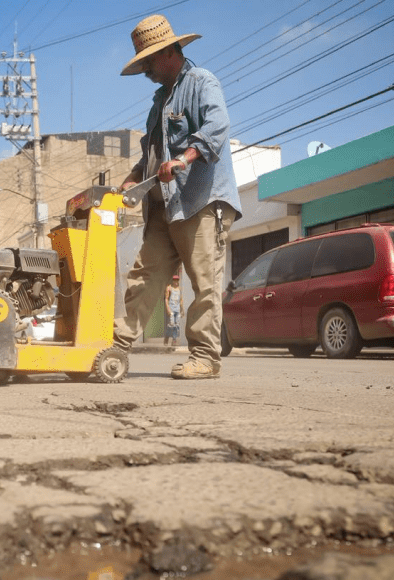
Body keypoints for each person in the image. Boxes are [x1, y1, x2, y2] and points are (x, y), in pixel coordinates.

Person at [113, 15, 241, 379]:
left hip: (200, 201)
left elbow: (217, 127)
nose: (146, 70)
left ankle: (205, 357)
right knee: (144, 275)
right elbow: (151, 151)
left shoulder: (202, 83)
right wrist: (134, 177)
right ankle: (117, 346)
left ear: (171, 51)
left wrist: (184, 159)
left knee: (203, 281)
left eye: (149, 62)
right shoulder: (159, 101)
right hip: (164, 206)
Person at [164, 273, 183, 346]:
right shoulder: (169, 288)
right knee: (171, 324)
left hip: (177, 310)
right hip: (171, 309)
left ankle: (174, 340)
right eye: (174, 280)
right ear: (172, 281)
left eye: (177, 280)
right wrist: (168, 309)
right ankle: (167, 337)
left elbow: (181, 300)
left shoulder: (179, 289)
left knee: (177, 325)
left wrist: (182, 310)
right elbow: (166, 299)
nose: (176, 282)